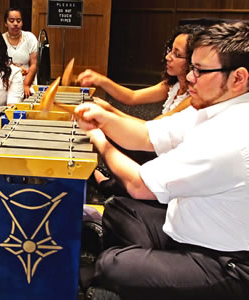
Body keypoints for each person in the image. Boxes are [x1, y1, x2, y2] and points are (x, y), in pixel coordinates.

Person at [76, 21, 249, 300]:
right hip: (187, 230)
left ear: (238, 78)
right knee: (120, 210)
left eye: (200, 71)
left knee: (113, 264)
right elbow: (146, 134)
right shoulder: (212, 105)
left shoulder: (233, 132)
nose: (190, 78)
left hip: (226, 261)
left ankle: (119, 272)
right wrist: (104, 118)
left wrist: (99, 140)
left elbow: (138, 185)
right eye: (191, 67)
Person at [80, 25, 203, 198]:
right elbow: (132, 97)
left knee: (116, 135)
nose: (168, 57)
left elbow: (152, 127)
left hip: (167, 156)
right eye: (170, 50)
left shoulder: (194, 98)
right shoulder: (173, 85)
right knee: (115, 132)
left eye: (177, 54)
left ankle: (113, 184)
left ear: (193, 61)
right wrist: (101, 80)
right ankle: (112, 179)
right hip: (156, 140)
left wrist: (109, 112)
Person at [3, 7, 38, 98]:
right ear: (5, 23)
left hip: (28, 79)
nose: (15, 24)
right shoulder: (0, 40)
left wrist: (26, 84)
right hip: (7, 80)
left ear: (22, 23)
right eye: (11, 20)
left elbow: (34, 64)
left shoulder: (30, 37)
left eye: (18, 21)